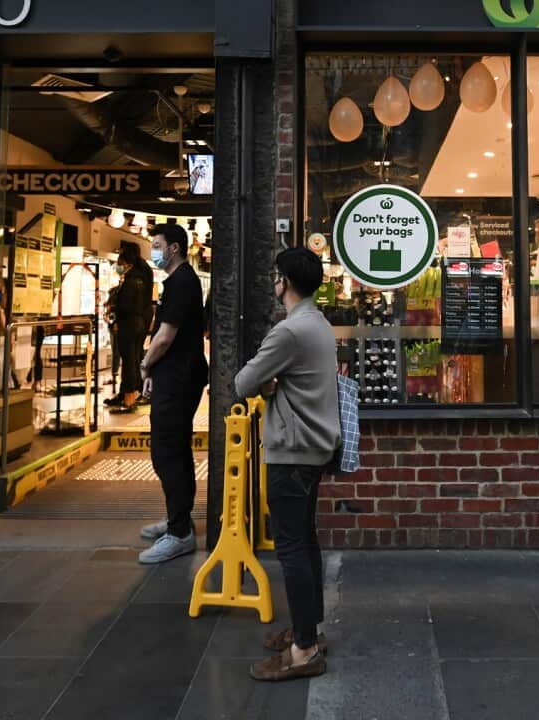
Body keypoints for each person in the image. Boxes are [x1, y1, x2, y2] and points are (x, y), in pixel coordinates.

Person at [234, 247, 340, 682]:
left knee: (292, 548)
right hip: (312, 449)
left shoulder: (289, 331)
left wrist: (269, 382)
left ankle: (304, 650)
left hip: (292, 451)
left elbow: (242, 382)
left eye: (276, 276)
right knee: (306, 543)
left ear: (285, 282)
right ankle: (307, 629)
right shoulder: (317, 323)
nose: (273, 283)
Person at [138, 224, 208, 564]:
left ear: (174, 248)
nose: (152, 250)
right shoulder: (177, 283)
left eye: (156, 245)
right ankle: (177, 521)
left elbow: (165, 337)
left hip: (179, 377)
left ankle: (179, 533)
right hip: (174, 375)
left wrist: (144, 365)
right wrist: (154, 371)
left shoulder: (182, 283)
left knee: (167, 452)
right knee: (174, 450)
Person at [106, 244, 150, 412]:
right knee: (132, 360)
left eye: (120, 262)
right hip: (139, 324)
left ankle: (129, 399)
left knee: (129, 361)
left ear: (127, 263)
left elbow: (125, 306)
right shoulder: (141, 278)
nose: (119, 266)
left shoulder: (130, 281)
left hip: (128, 325)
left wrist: (114, 309)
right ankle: (128, 394)